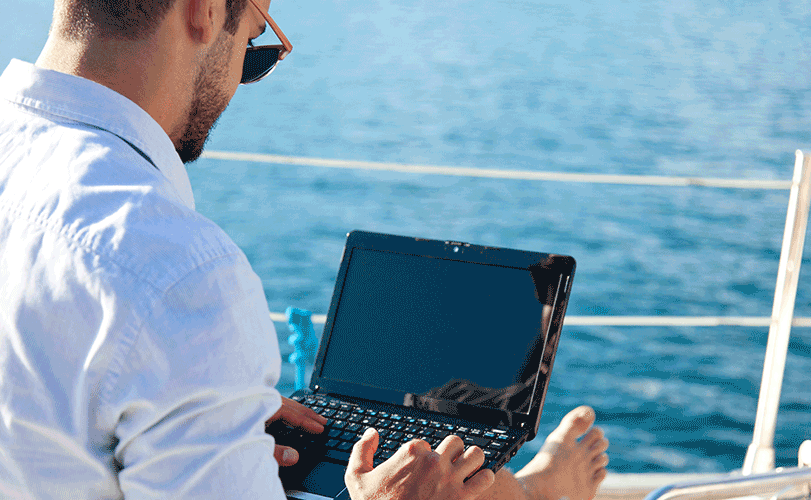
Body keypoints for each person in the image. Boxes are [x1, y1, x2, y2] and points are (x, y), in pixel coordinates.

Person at [0, 0, 609, 498]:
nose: (243, 76)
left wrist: (212, 409)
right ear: (205, 12)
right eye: (256, 40)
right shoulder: (180, 272)